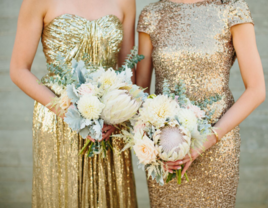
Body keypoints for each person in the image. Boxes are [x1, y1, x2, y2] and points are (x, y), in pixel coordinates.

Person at [136, 0, 265, 207]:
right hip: (168, 151)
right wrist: (151, 143)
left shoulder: (232, 9)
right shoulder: (151, 14)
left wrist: (208, 140)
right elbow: (140, 92)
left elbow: (257, 90)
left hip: (218, 146)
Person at [10, 0, 137, 207]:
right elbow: (18, 69)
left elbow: (127, 69)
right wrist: (67, 110)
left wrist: (118, 113)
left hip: (109, 124)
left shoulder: (126, 2)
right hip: (59, 119)